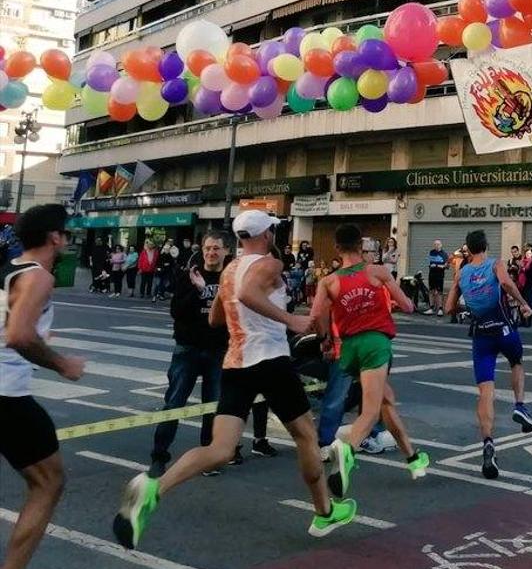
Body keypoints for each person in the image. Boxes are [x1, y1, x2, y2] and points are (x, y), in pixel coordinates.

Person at [113, 211, 356, 550]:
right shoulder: (270, 264)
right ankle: (324, 511)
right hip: (270, 360)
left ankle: (155, 488)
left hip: (236, 364)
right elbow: (245, 295)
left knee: (220, 449)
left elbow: (216, 317)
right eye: (272, 228)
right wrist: (292, 321)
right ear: (267, 234)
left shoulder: (229, 269)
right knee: (305, 436)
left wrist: (244, 319)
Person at [1, 205, 86, 569]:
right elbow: (18, 335)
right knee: (49, 483)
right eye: (65, 233)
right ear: (54, 237)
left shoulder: (7, 269)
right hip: (7, 398)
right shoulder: (38, 277)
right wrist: (61, 364)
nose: (67, 240)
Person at [311, 224, 430, 499]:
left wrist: (325, 339)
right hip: (375, 344)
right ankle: (346, 450)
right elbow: (409, 306)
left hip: (349, 348)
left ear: (338, 249)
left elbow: (317, 315)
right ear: (361, 246)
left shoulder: (328, 282)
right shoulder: (378, 272)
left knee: (386, 401)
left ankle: (413, 458)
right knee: (372, 410)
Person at [148, 231, 277, 479]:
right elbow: (176, 311)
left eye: (216, 248)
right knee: (174, 402)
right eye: (207, 248)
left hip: (219, 350)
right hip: (188, 348)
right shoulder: (189, 275)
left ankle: (207, 458)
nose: (211, 253)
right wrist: (198, 290)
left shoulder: (232, 277)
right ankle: (159, 455)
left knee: (213, 405)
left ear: (226, 251)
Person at [443, 230, 532, 480]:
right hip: (503, 329)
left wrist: (463, 294)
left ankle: (488, 442)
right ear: (485, 246)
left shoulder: (462, 273)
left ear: (469, 249)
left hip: (481, 336)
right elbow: (505, 283)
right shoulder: (495, 264)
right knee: (516, 361)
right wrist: (524, 303)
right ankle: (520, 405)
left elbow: (449, 308)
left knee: (485, 391)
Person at [427, 240, 449, 316]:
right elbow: (429, 263)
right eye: (435, 244)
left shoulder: (444, 254)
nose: (436, 245)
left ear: (441, 245)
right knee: (431, 291)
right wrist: (431, 266)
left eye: (438, 244)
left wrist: (438, 266)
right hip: (431, 274)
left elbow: (447, 266)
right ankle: (431, 308)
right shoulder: (431, 252)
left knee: (439, 292)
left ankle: (440, 309)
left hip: (439, 275)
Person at [519, 245, 532, 317]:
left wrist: (523, 268)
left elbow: (530, 272)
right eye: (527, 253)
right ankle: (523, 319)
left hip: (529, 282)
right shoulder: (523, 261)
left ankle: (529, 317)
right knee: (523, 299)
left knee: (529, 299)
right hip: (523, 283)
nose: (528, 255)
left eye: (529, 253)